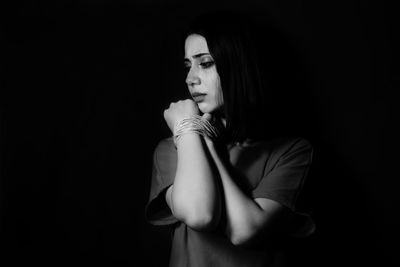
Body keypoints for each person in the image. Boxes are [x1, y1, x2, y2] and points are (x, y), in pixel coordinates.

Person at [145, 10, 315, 267]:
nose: (190, 79)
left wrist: (209, 144)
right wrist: (188, 129)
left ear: (239, 66)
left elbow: (244, 230)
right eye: (187, 65)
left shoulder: (290, 151)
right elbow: (199, 214)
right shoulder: (174, 148)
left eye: (205, 63)